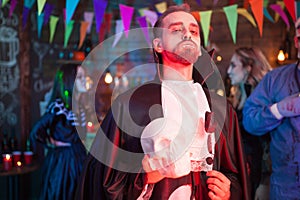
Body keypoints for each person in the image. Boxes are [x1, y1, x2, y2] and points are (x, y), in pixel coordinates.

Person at [76, 4, 250, 200]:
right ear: (158, 45)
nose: (187, 34)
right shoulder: (131, 105)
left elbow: (237, 175)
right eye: (176, 30)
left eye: (193, 31)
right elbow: (100, 180)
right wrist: (145, 177)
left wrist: (228, 192)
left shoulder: (220, 108)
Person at [243, 18, 300, 199]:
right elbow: (250, 121)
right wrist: (278, 110)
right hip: (286, 188)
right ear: (297, 41)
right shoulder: (275, 79)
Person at [30, 63, 88, 200]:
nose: (85, 80)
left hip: (79, 158)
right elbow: (36, 132)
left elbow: (82, 136)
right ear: (69, 80)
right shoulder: (58, 107)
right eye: (80, 77)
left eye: (84, 76)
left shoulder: (80, 107)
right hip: (62, 164)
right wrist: (51, 143)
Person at [227, 47, 272, 199]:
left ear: (248, 67)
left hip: (259, 175)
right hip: (247, 172)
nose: (228, 71)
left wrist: (265, 182)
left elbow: (270, 143)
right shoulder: (242, 95)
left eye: (233, 65)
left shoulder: (264, 98)